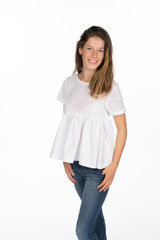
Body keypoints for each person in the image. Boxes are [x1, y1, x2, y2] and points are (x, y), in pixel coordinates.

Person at [50, 25, 127, 240]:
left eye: (100, 50)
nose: (94, 55)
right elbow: (68, 123)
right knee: (95, 218)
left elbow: (122, 129)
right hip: (75, 166)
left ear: (106, 55)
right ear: (81, 49)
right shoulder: (69, 83)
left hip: (98, 171)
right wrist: (66, 159)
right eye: (90, 48)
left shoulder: (110, 87)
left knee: (83, 230)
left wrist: (114, 165)